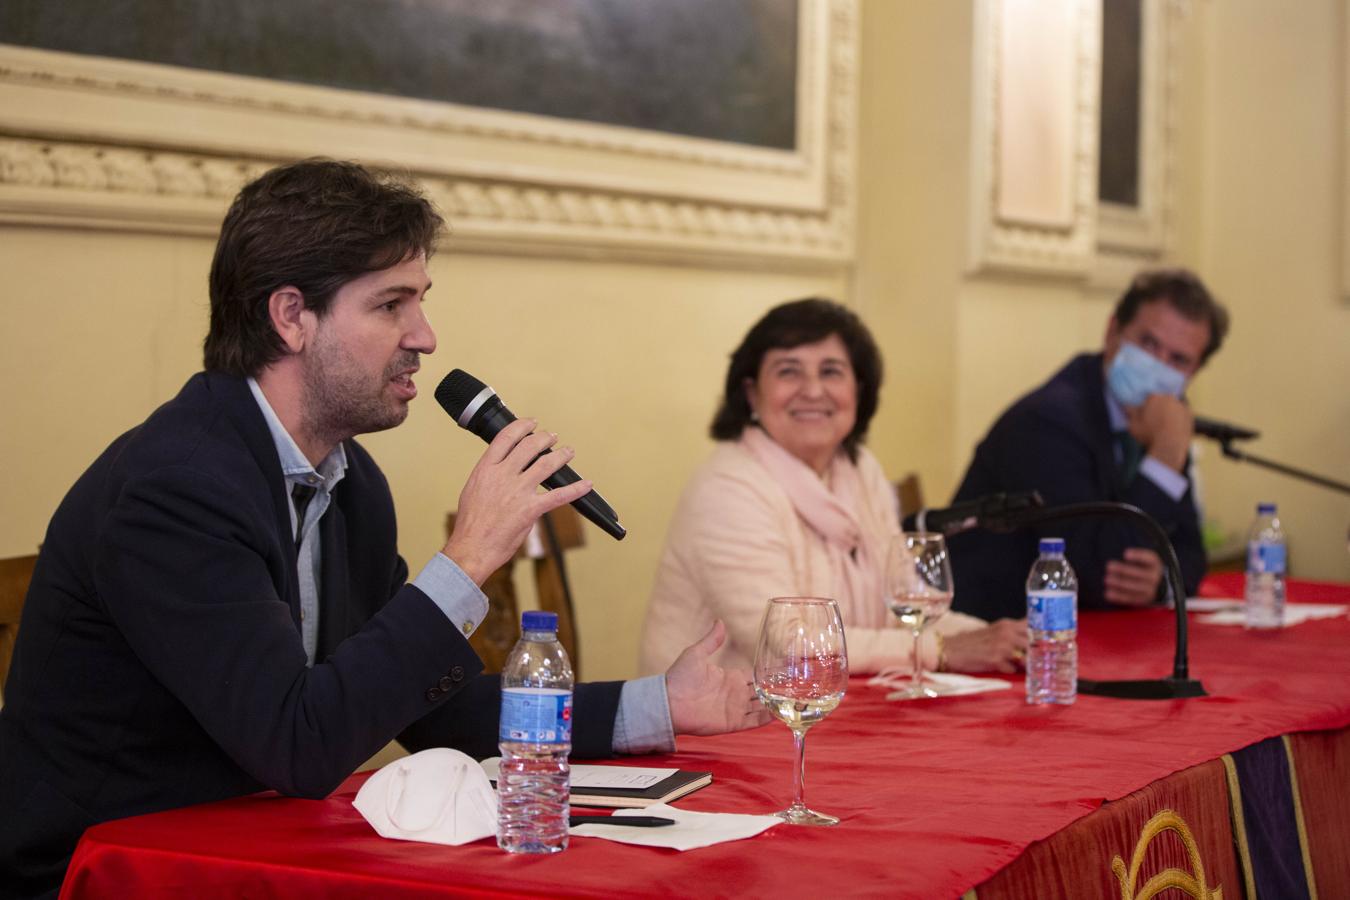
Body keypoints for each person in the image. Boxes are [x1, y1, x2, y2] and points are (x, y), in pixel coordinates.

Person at [0, 160, 763, 898]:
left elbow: (444, 709)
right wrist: (466, 559)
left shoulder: (348, 480)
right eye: (391, 304)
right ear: (292, 317)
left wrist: (661, 704)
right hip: (110, 871)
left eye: (420, 301)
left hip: (245, 852)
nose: (425, 337)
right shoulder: (176, 488)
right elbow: (297, 747)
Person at [639, 298, 1025, 677]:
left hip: (833, 702)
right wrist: (941, 650)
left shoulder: (858, 470)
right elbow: (790, 644)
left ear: (858, 390)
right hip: (729, 723)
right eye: (789, 371)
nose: (812, 390)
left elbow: (909, 607)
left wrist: (1002, 639)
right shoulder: (726, 488)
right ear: (752, 393)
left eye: (831, 371)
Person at [947, 269, 1228, 622]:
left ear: (1194, 372)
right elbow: (1097, 575)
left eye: (1179, 360)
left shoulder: (1163, 421)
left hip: (1086, 635)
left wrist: (1158, 582)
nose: (1159, 366)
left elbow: (1189, 555)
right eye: (1148, 343)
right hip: (996, 634)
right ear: (1112, 331)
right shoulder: (1050, 419)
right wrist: (1165, 457)